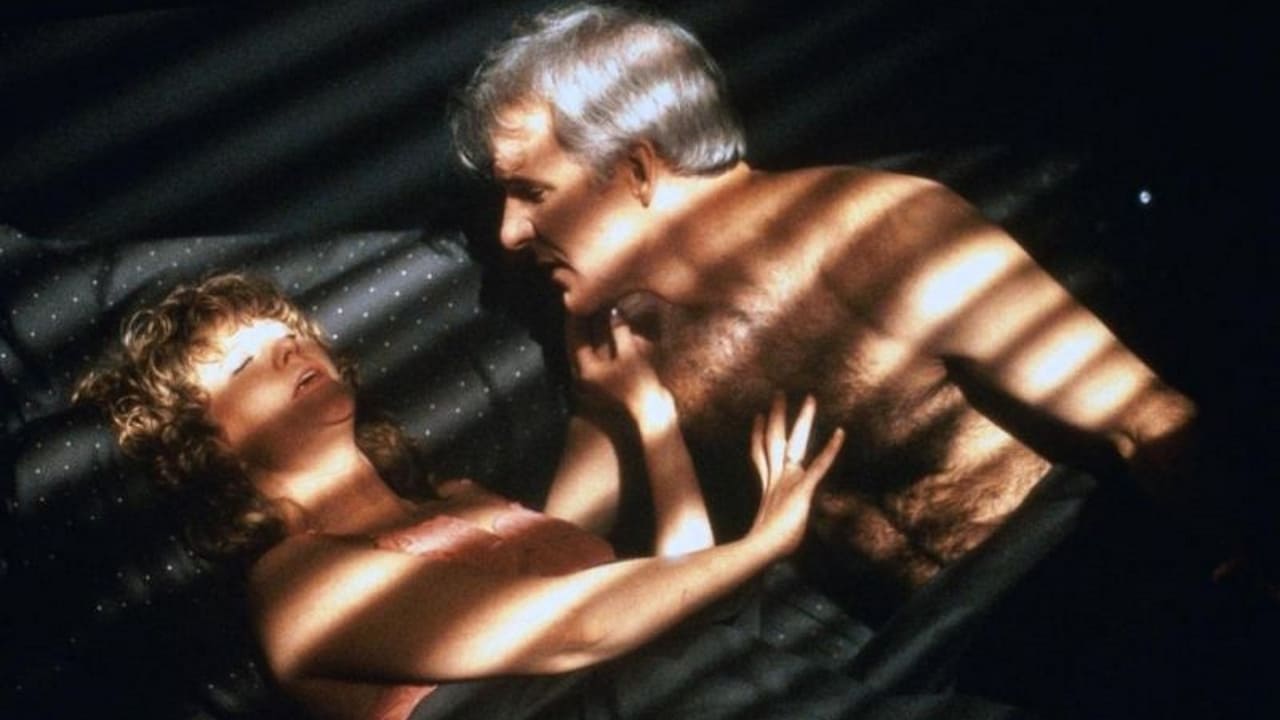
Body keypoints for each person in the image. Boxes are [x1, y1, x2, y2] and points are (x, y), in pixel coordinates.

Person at [449, 2, 1206, 608]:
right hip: (910, 667)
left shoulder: (887, 233)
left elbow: (1149, 423)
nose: (509, 234)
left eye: (532, 192)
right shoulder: (618, 332)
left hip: (1102, 587)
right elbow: (552, 559)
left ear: (637, 169)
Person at [74, 272, 857, 720]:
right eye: (245, 364)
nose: (287, 351)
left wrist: (648, 415)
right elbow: (580, 629)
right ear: (207, 443)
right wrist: (760, 546)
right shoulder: (296, 584)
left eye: (289, 335)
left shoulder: (459, 499)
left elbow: (669, 596)